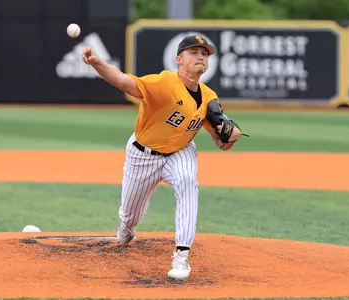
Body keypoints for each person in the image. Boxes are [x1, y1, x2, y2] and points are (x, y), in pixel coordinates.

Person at [82, 34, 245, 280]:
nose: (201, 56)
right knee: (129, 216)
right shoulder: (165, 83)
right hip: (143, 155)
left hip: (180, 151)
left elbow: (221, 140)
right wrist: (97, 63)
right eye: (194, 52)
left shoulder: (209, 96)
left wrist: (229, 136)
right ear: (179, 59)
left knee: (188, 181)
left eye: (205, 53)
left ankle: (182, 255)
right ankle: (126, 231)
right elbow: (123, 82)